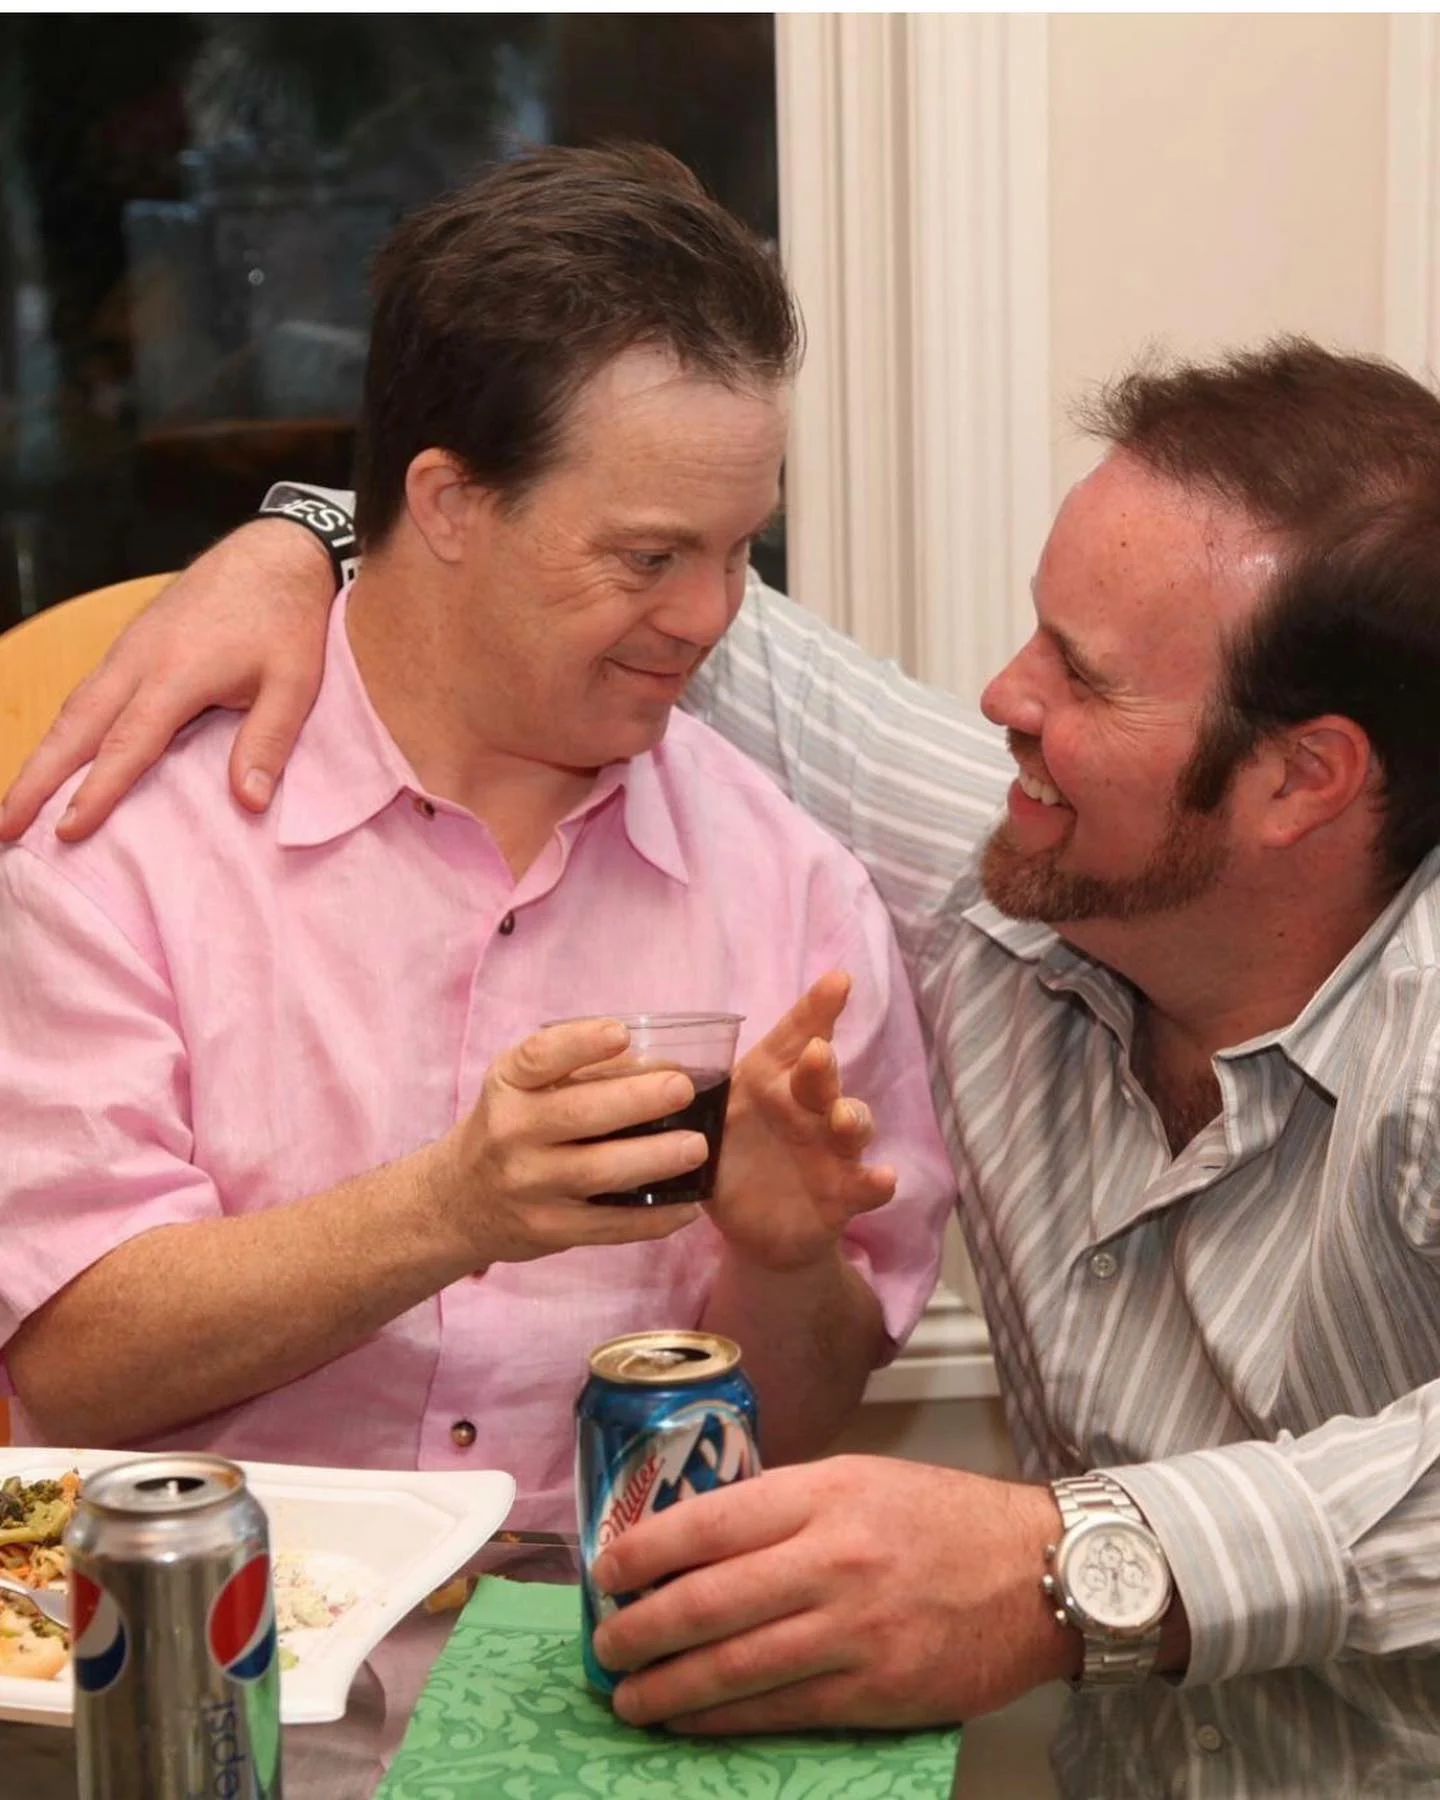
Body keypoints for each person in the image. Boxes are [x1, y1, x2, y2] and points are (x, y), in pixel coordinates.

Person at [19, 335, 1440, 1800]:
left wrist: (1068, 1566)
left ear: (1300, 778)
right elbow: (541, 549)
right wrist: (296, 538)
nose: (1000, 697)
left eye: (1080, 675)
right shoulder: (1015, 859)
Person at [0, 145, 956, 1539]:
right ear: (449, 504)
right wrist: (452, 1208)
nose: (713, 616)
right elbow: (75, 1365)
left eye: (743, 550)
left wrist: (787, 1256)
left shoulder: (792, 888)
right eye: (648, 558)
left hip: (615, 1680)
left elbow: (798, 1432)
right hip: (238, 1670)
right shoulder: (131, 843)